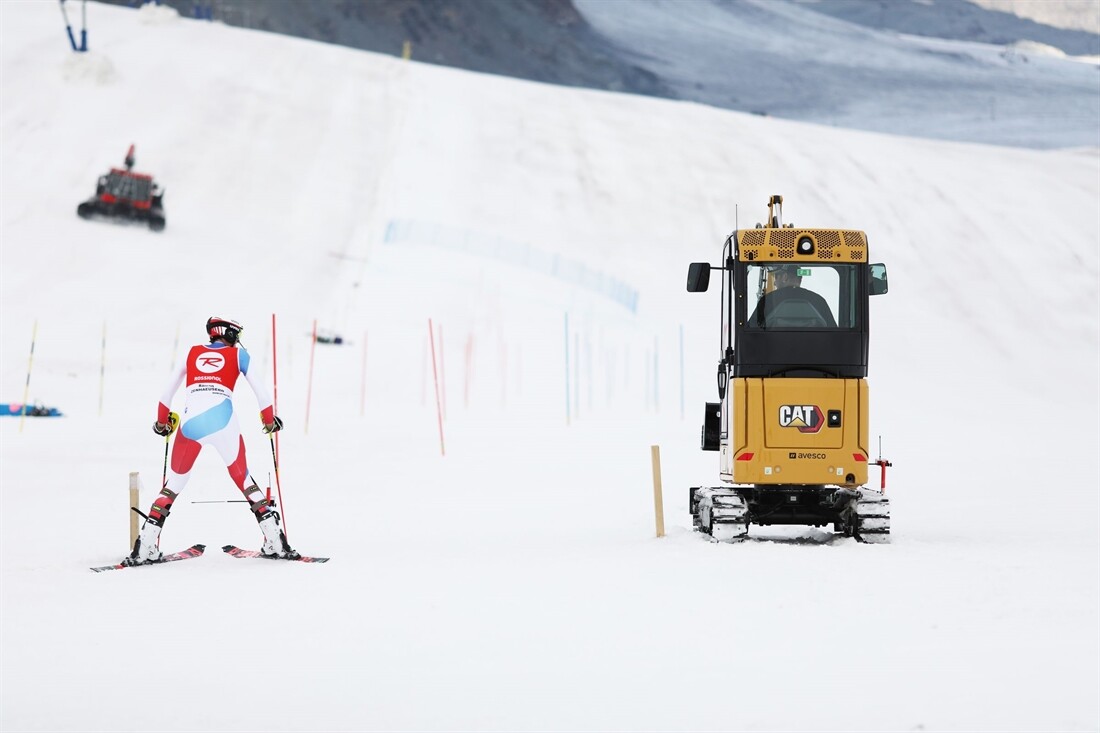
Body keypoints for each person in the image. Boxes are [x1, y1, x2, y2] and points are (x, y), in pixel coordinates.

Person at [125, 316, 297, 564]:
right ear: (226, 333)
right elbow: (262, 393)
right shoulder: (239, 356)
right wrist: (269, 421)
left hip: (190, 424)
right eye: (236, 334)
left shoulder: (191, 353)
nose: (237, 339)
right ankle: (276, 541)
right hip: (224, 421)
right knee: (244, 478)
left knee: (173, 483)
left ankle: (145, 546)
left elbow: (165, 394)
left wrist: (162, 423)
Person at [748, 264, 837, 327]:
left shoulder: (768, 300)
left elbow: (751, 331)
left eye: (776, 277)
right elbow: (833, 334)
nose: (774, 282)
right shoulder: (819, 301)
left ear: (785, 277)